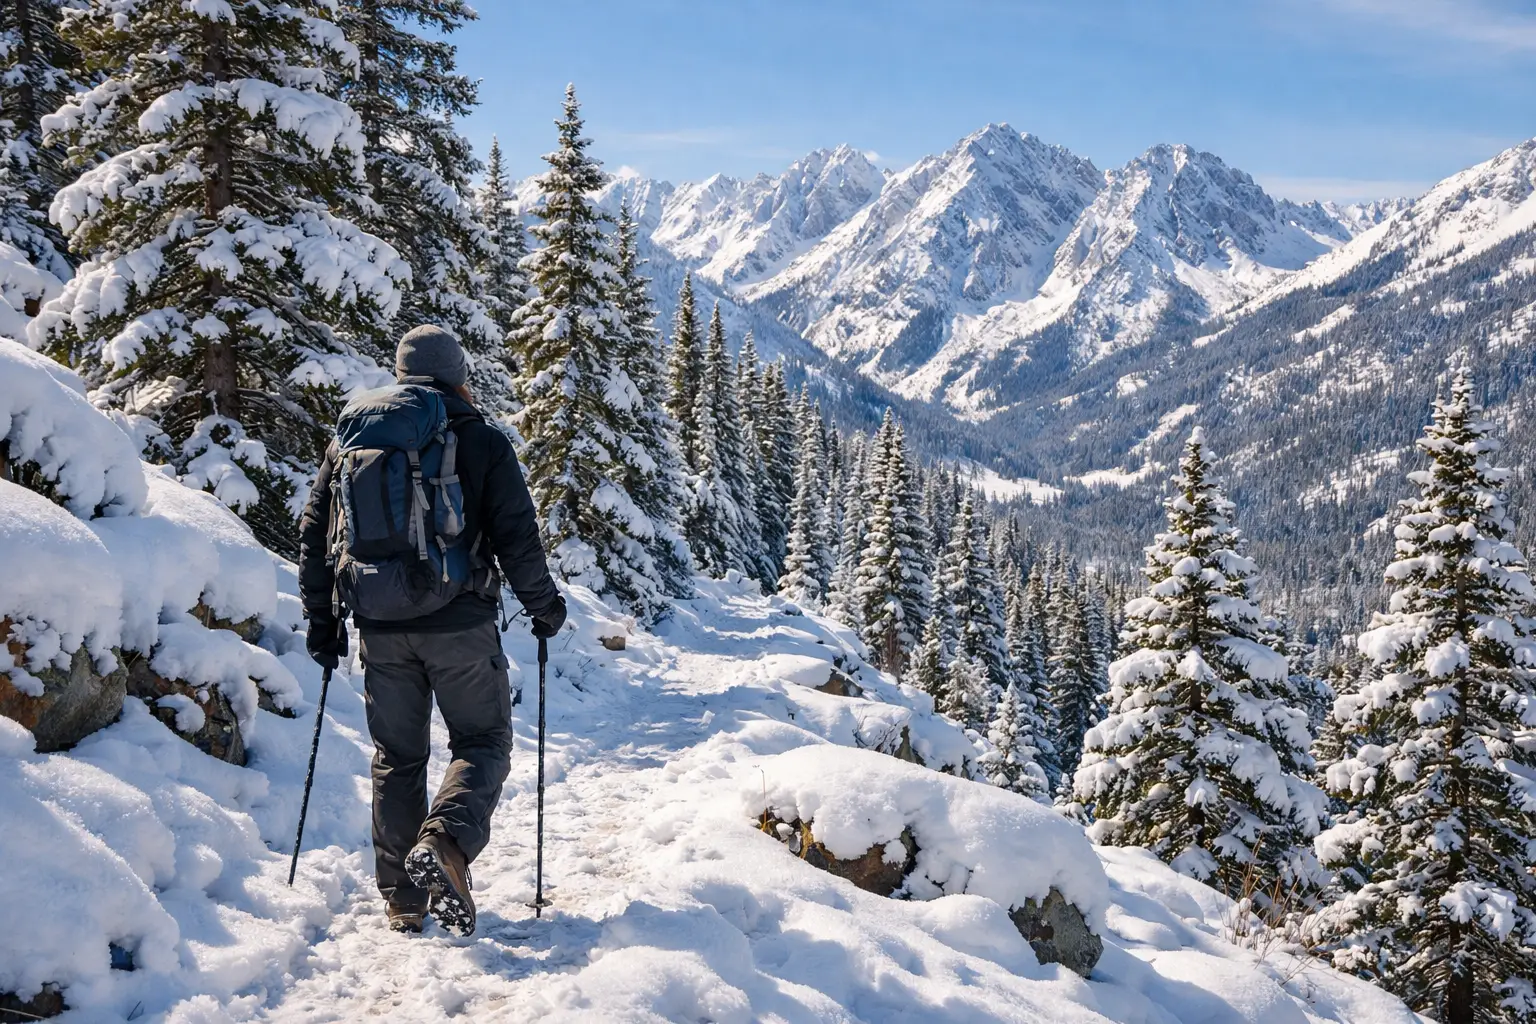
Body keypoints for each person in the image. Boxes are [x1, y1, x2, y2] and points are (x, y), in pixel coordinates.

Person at [298, 324, 566, 937]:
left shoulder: (353, 440)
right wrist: (543, 607)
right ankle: (445, 844)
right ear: (458, 375)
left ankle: (402, 900)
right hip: (461, 624)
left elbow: (316, 536)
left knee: (398, 757)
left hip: (380, 626)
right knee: (482, 740)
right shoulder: (480, 440)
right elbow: (517, 538)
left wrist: (323, 622)